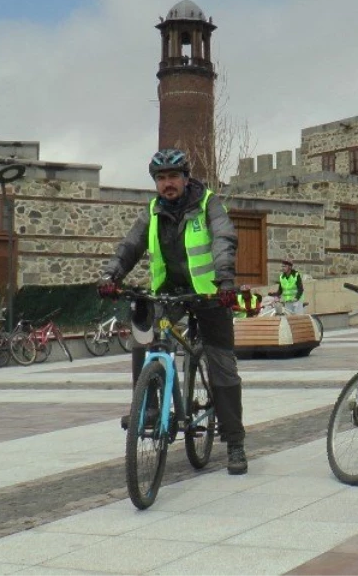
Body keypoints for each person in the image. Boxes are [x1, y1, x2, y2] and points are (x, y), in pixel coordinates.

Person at [98, 148, 247, 475]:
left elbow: (224, 237)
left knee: (222, 364)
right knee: (146, 338)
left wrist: (225, 280)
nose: (167, 184)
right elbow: (130, 246)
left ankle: (235, 441)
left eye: (173, 177)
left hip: (210, 293)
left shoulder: (209, 204)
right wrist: (111, 275)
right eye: (161, 178)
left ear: (186, 177)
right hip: (170, 294)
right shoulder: (152, 211)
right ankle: (148, 409)